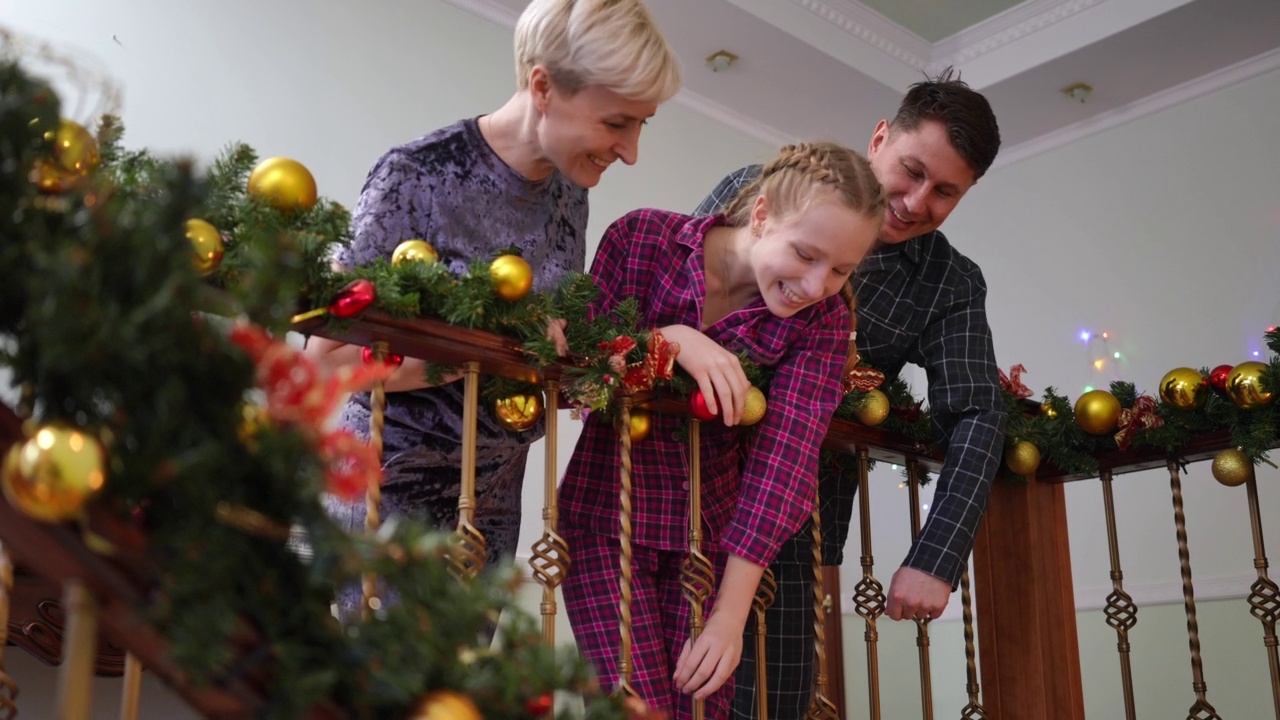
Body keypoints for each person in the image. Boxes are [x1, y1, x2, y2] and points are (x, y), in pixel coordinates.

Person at [305, 0, 681, 619]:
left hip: (495, 502)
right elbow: (327, 362)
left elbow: (537, 347)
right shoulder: (416, 177)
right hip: (390, 493)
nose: (631, 150)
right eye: (617, 123)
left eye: (642, 125)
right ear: (543, 86)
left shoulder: (570, 194)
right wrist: (469, 350)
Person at [693, 70, 1006, 719]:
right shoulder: (764, 189)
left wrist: (937, 556)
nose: (917, 201)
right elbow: (669, 292)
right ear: (880, 137)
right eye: (911, 170)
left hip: (793, 538)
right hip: (676, 499)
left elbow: (977, 410)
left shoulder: (949, 281)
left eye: (945, 191)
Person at [558, 141, 886, 719]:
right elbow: (579, 371)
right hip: (605, 520)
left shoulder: (825, 320)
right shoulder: (641, 240)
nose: (816, 284)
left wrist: (730, 617)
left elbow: (785, 460)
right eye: (806, 254)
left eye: (841, 269)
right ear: (760, 216)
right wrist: (673, 341)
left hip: (707, 544)